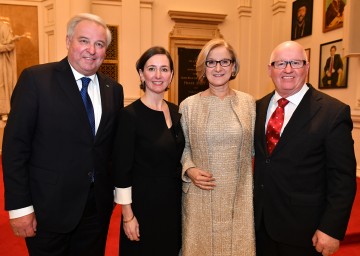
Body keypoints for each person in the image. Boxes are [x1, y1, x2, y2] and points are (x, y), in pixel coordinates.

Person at [2, 13, 124, 256]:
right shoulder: (36, 80)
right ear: (68, 41)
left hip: (96, 210)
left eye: (99, 44)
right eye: (84, 41)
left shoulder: (114, 89)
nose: (91, 50)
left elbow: (109, 148)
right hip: (48, 210)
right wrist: (19, 208)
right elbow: (15, 148)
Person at [254, 41, 357, 256]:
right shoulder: (258, 107)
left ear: (307, 67)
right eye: (281, 63)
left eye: (296, 63)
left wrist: (331, 229)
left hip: (304, 231)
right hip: (260, 225)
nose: (288, 69)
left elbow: (343, 178)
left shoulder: (332, 112)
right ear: (270, 70)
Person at [179, 38, 256, 256]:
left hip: (239, 195)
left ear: (234, 66)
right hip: (200, 195)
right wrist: (190, 169)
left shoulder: (249, 104)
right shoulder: (188, 106)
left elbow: (257, 149)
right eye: (211, 62)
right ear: (203, 68)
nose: (218, 68)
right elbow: (182, 148)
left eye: (224, 61)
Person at [112, 46, 185, 255]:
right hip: (143, 208)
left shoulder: (176, 110)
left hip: (173, 205)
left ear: (171, 75)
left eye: (164, 69)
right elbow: (122, 170)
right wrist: (128, 216)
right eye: (151, 69)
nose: (158, 75)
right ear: (141, 74)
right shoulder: (129, 115)